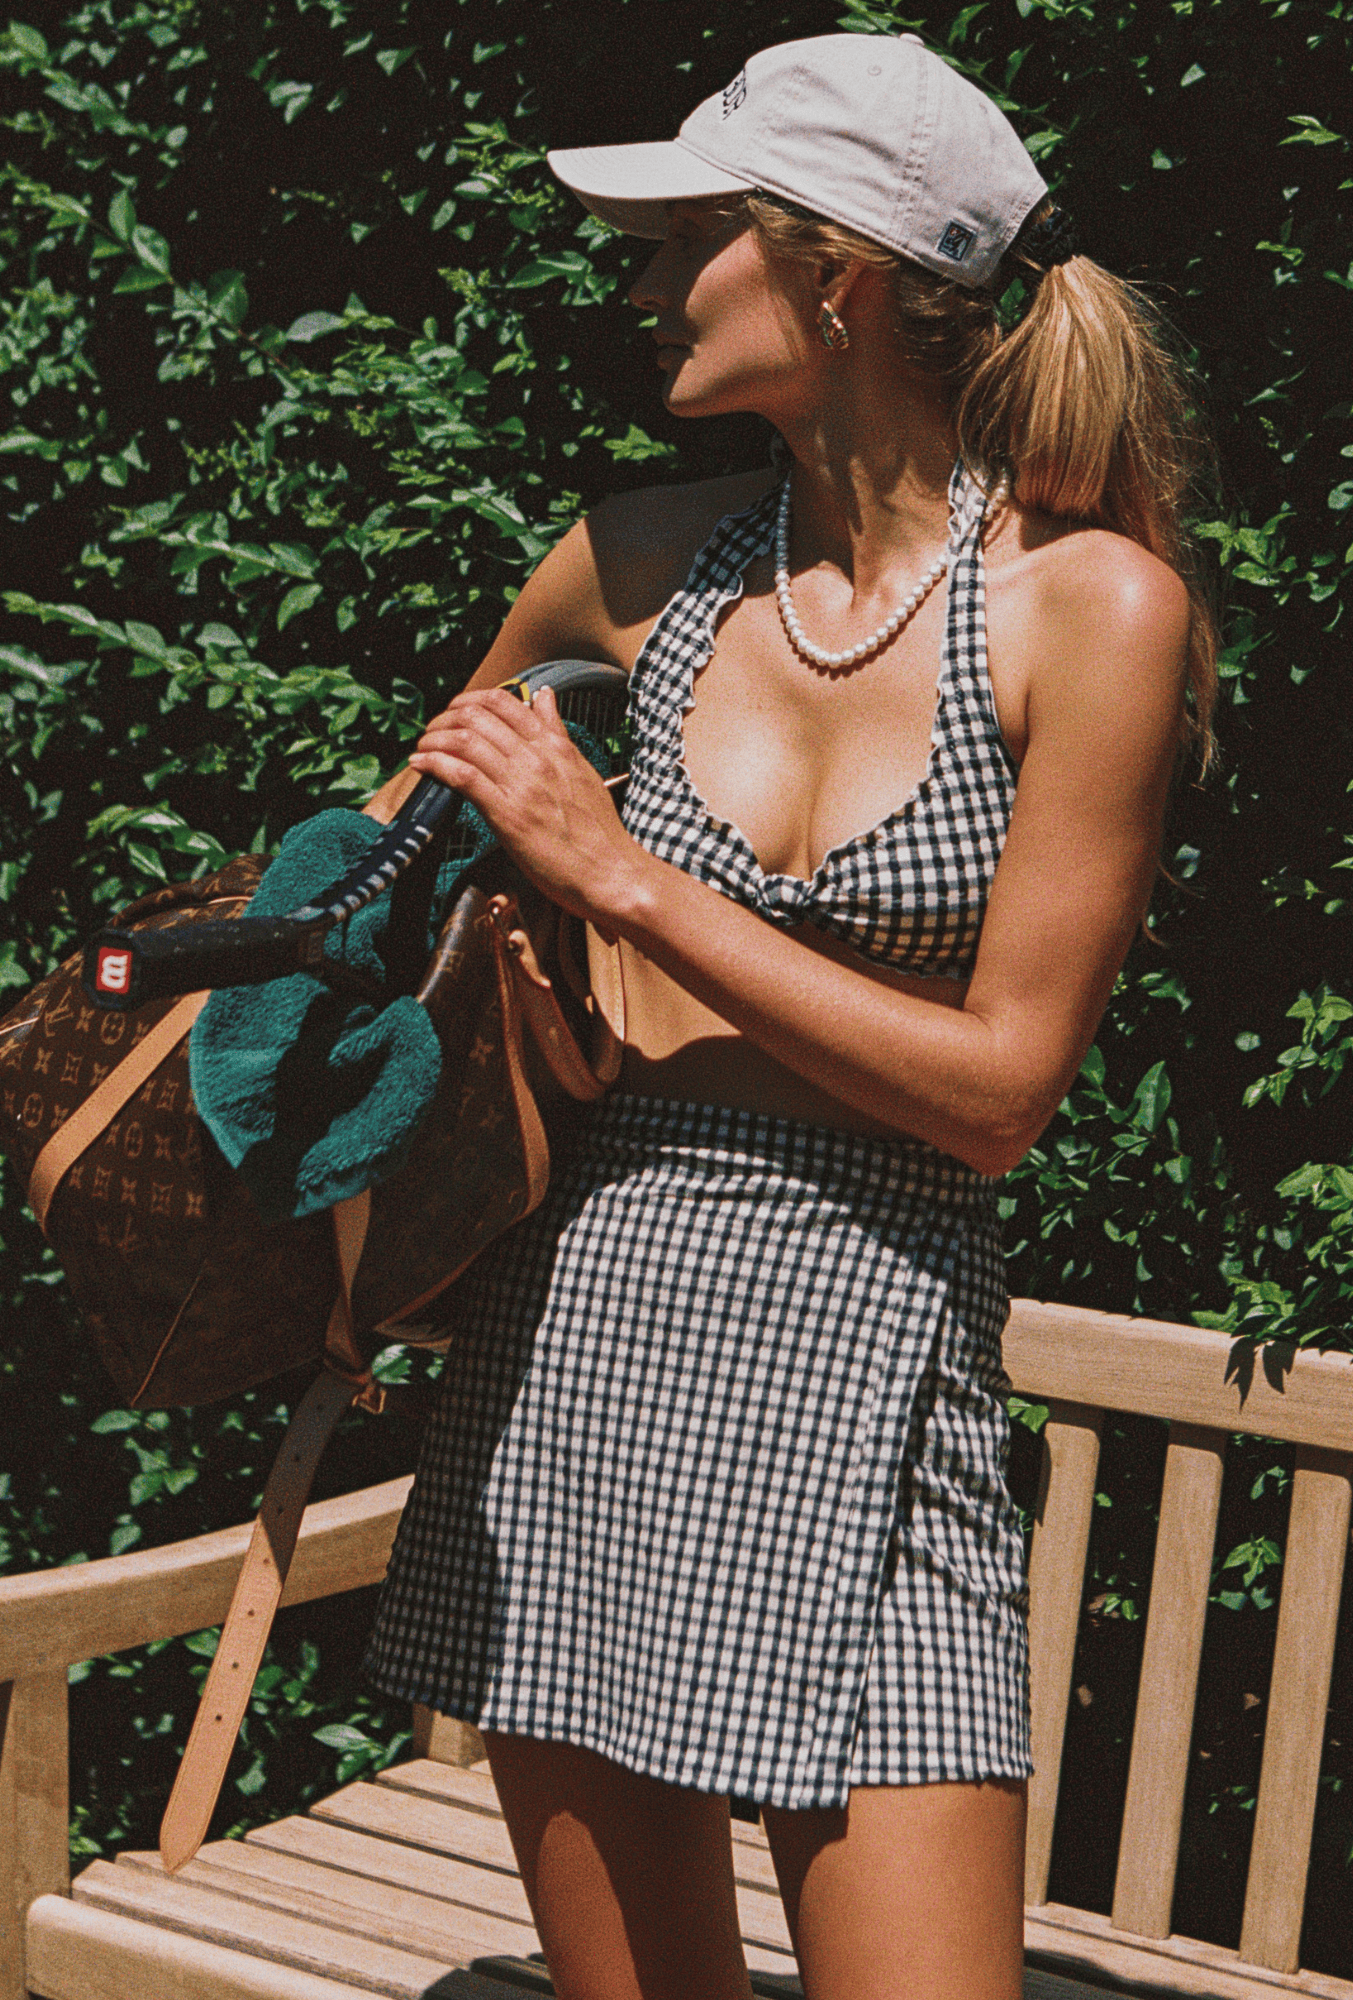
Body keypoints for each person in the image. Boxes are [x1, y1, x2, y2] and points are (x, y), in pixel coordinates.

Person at [364, 31, 1215, 2000]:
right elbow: (391, 887)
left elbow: (1000, 1094)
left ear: (833, 277)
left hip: (880, 1366)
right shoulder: (629, 563)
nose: (645, 282)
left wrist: (627, 884)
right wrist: (478, 954)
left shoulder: (1091, 609)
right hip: (577, 1357)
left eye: (688, 240)